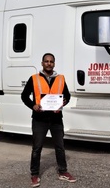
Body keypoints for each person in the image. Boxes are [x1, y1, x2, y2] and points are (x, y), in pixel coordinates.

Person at [21, 53, 76, 187]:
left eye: (51, 61)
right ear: (42, 63)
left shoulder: (61, 78)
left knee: (60, 147)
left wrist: (63, 103)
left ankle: (63, 171)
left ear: (54, 64)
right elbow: (24, 96)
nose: (49, 63)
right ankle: (34, 174)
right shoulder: (34, 78)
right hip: (39, 119)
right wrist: (33, 106)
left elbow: (67, 96)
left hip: (56, 119)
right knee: (37, 148)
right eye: (46, 61)